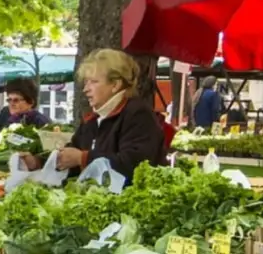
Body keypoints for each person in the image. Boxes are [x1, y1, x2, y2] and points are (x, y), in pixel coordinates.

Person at [19, 49, 164, 185]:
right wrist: (38, 162)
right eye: (86, 82)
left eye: (93, 82)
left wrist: (82, 158)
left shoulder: (138, 114)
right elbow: (72, 153)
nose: (85, 89)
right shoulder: (94, 118)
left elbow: (134, 164)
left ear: (115, 85)